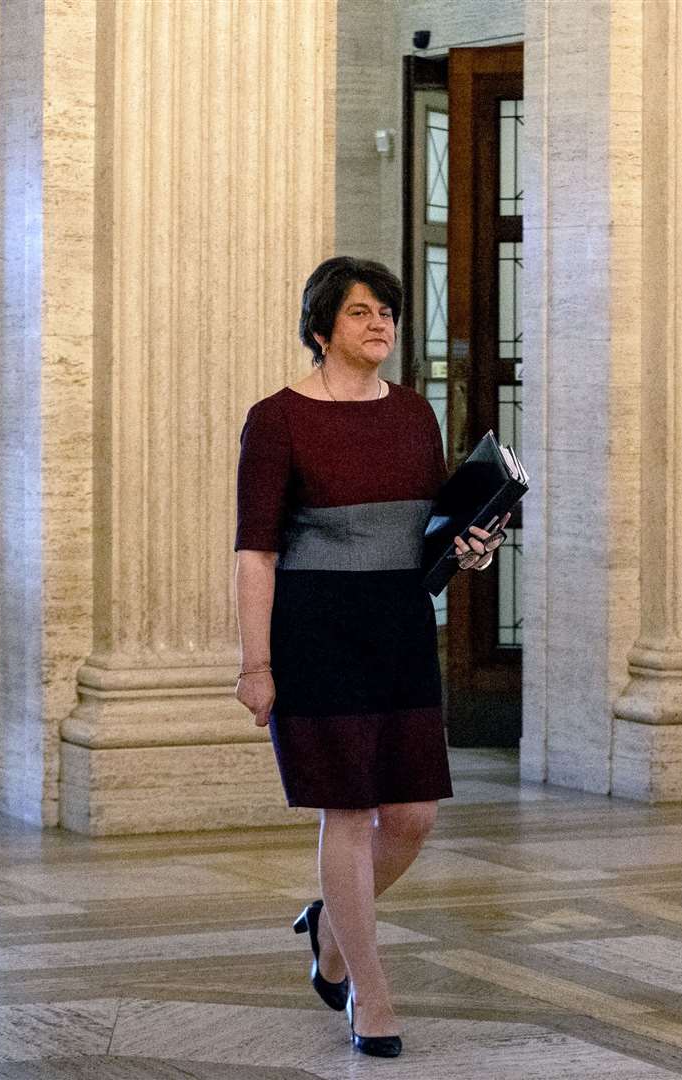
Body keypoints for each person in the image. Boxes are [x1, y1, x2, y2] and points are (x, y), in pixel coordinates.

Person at [233, 256, 507, 1057]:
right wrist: (257, 664)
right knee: (347, 810)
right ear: (321, 328)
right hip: (315, 631)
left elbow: (429, 537)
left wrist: (472, 548)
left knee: (414, 816)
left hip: (400, 626)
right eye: (359, 312)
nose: (380, 322)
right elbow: (256, 553)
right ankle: (371, 992)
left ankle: (328, 921)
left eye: (386, 311)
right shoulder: (277, 418)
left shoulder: (414, 414)